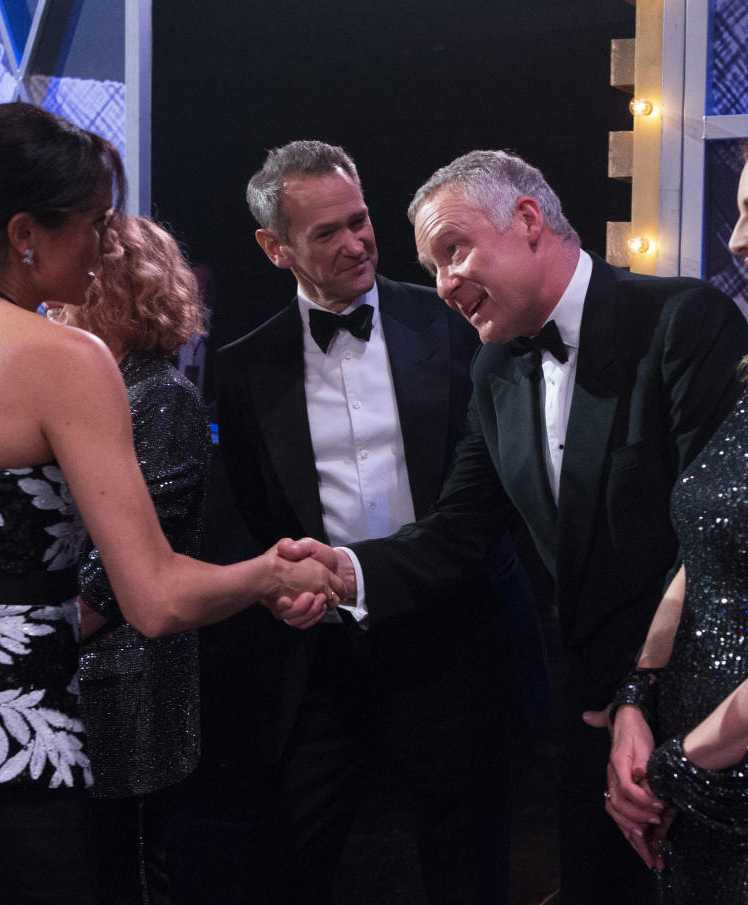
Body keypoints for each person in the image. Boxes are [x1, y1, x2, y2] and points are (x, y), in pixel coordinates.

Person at [0, 102, 340, 905]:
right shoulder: (67, 358)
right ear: (25, 233)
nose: (104, 243)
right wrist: (265, 574)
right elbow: (152, 598)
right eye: (94, 220)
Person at [282, 149, 748, 905]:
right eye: (433, 266)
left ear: (529, 220)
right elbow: (457, 529)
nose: (442, 284)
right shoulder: (493, 372)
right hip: (591, 715)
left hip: (710, 706)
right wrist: (344, 571)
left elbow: (714, 541)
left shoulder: (680, 320)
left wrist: (645, 694)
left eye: (453, 249)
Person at [212, 140, 535, 905]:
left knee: (469, 871)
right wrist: (277, 590)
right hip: (326, 654)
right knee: (289, 865)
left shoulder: (455, 321)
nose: (356, 241)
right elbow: (252, 518)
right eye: (326, 232)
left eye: (359, 220)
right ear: (275, 248)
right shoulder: (243, 369)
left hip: (457, 636)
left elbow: (491, 494)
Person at [45, 214, 209, 905]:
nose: (54, 297)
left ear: (115, 287)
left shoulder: (159, 394)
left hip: (129, 679)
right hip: (86, 675)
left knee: (130, 874)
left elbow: (130, 558)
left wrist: (44, 639)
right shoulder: (101, 387)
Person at [603, 140, 748, 902]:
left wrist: (676, 764)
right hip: (698, 782)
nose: (735, 240)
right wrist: (637, 694)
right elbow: (704, 541)